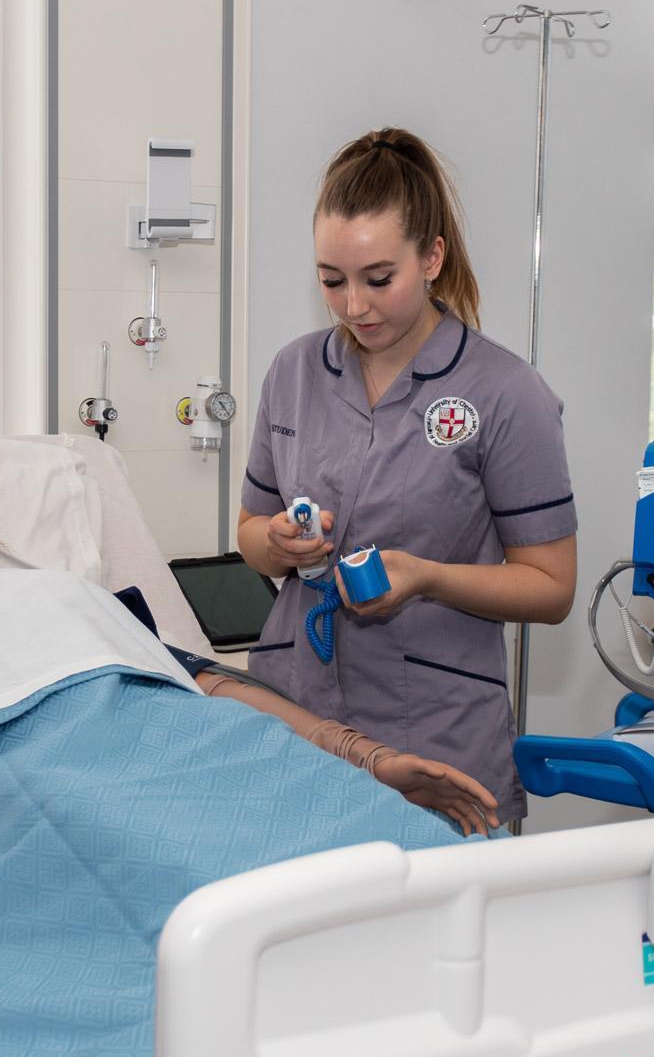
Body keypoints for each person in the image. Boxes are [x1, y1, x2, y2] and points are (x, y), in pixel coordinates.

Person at [0, 446, 501, 921]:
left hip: (179, 747)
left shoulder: (67, 595)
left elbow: (208, 688)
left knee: (389, 856)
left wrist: (370, 760)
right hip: (16, 781)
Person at [236, 127, 579, 825]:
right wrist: (276, 543)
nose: (353, 306)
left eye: (378, 279)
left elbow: (552, 588)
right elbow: (249, 533)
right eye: (331, 281)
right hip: (297, 720)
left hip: (436, 738)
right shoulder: (293, 373)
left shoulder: (504, 393)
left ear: (432, 258)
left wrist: (426, 577)